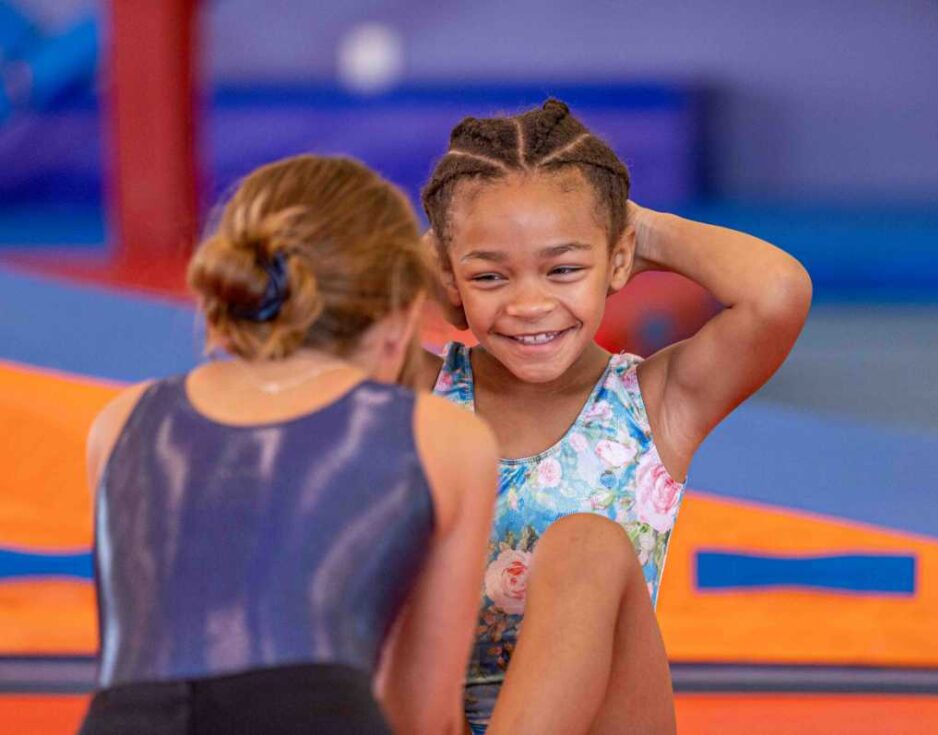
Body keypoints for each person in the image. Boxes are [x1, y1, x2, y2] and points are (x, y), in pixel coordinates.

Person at [417, 99, 813, 734]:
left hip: (604, 719)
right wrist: (436, 258)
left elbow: (777, 293)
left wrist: (637, 230)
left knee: (586, 545)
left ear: (618, 260)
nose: (528, 304)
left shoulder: (652, 401)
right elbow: (313, 328)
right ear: (449, 277)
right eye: (490, 276)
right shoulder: (419, 392)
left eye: (564, 269)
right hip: (438, 715)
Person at [79, 154, 498, 735]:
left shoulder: (122, 420)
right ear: (402, 318)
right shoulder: (440, 435)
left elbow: (140, 658)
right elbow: (422, 717)